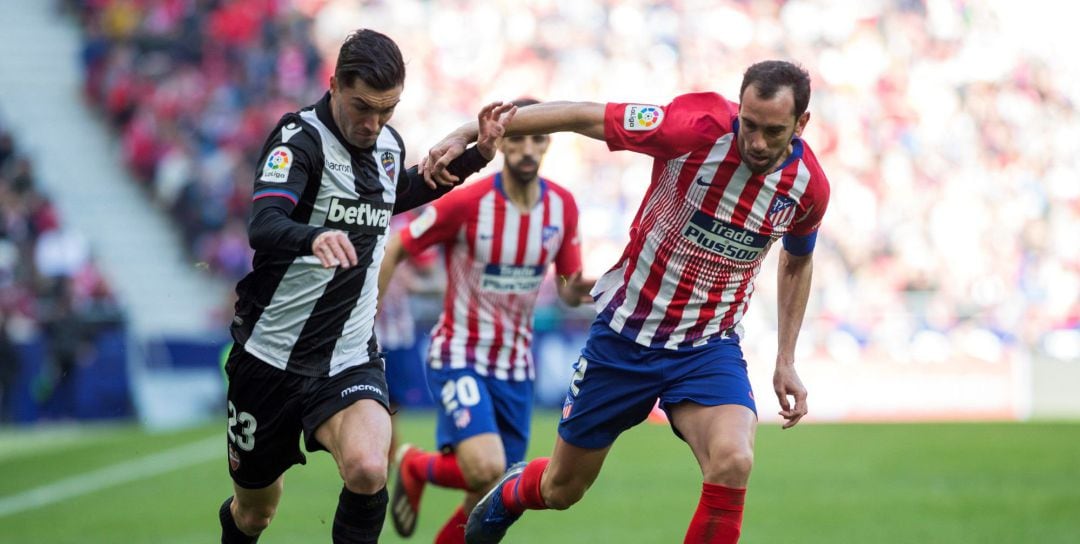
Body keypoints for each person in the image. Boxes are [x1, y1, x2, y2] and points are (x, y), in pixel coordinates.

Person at [425, 60, 831, 544]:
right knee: (562, 488)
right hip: (624, 337)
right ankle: (511, 495)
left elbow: (797, 260)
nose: (757, 143)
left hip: (707, 346)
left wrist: (786, 358)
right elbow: (581, 115)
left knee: (734, 460)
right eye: (749, 124)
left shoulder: (808, 187)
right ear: (738, 108)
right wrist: (467, 131)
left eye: (773, 131)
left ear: (801, 125)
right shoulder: (692, 127)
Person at [218, 28, 515, 544]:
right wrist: (313, 238)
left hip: (348, 356)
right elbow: (263, 223)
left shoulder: (387, 147)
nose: (373, 124)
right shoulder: (299, 140)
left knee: (367, 468)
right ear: (333, 85)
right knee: (255, 514)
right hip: (269, 358)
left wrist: (476, 157)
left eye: (387, 111)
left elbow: (397, 196)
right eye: (362, 107)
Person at [379, 97, 593, 544]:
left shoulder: (562, 208)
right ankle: (416, 464)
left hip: (516, 366)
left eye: (538, 138)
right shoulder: (469, 202)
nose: (527, 149)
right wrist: (368, 315)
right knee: (488, 466)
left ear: (548, 144)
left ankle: (420, 472)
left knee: (486, 500)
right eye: (518, 138)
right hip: (460, 354)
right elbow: (399, 245)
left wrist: (598, 285)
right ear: (503, 142)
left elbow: (570, 288)